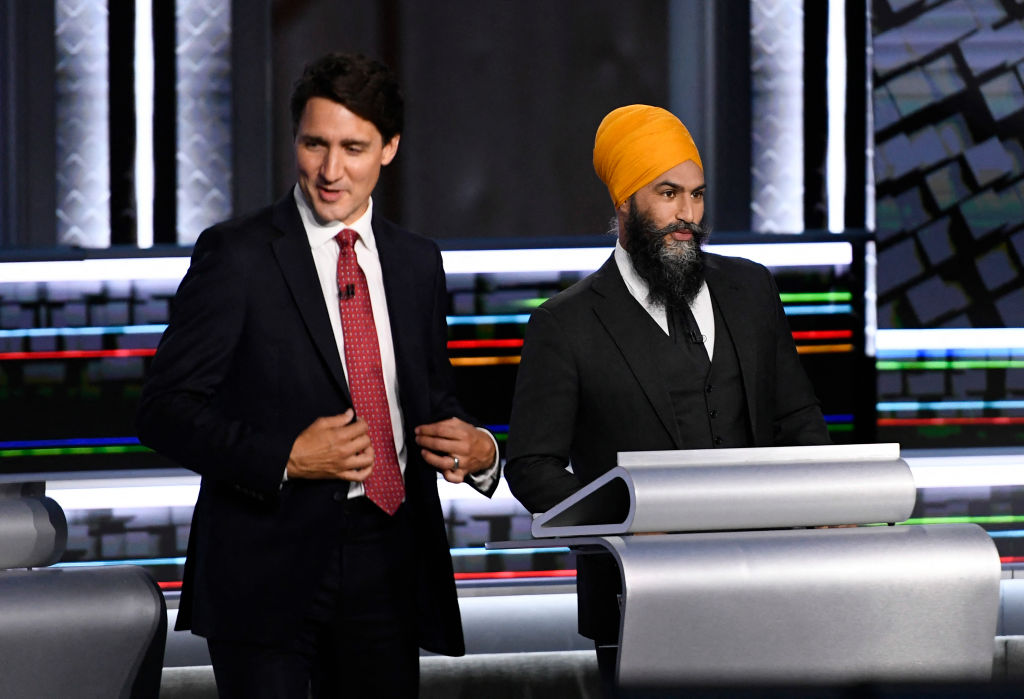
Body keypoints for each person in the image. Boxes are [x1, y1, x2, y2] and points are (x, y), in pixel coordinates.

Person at [137, 52, 499, 699]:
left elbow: (434, 405)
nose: (330, 171)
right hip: (264, 565)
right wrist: (286, 456)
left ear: (389, 148)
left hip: (387, 558)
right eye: (315, 144)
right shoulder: (238, 255)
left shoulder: (417, 264)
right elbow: (163, 409)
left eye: (353, 148)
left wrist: (482, 451)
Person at [504, 104, 830, 692]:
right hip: (639, 601)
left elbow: (797, 418)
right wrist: (627, 521)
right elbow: (532, 468)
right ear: (625, 202)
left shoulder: (751, 288)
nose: (688, 216)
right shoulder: (565, 324)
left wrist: (823, 510)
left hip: (770, 586)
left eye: (697, 196)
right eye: (668, 194)